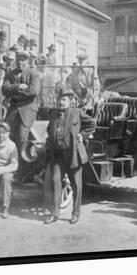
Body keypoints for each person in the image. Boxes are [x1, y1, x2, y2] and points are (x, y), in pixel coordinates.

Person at [45, 89, 95, 225]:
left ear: (70, 101)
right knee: (55, 181)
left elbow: (92, 123)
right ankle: (54, 214)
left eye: (64, 100)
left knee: (76, 184)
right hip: (58, 156)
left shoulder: (77, 112)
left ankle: (75, 214)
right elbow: (49, 129)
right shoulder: (53, 114)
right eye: (59, 99)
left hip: (73, 155)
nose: (61, 102)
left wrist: (82, 135)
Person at [2, 50, 41, 182]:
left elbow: (33, 92)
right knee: (5, 135)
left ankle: (22, 173)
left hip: (27, 111)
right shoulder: (10, 73)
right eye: (18, 59)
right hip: (13, 110)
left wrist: (14, 94)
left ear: (28, 61)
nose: (20, 62)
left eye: (23, 59)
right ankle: (6, 168)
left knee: (22, 138)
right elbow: (4, 89)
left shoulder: (33, 73)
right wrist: (18, 86)